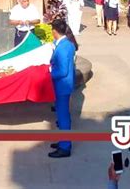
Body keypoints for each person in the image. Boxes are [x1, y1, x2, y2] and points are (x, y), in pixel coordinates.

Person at [48, 19, 77, 158]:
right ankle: (62, 141)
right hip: (64, 86)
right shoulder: (66, 44)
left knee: (63, 117)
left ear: (54, 31)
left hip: (62, 86)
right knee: (62, 115)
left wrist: (47, 74)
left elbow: (62, 71)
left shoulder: (63, 48)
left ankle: (65, 147)